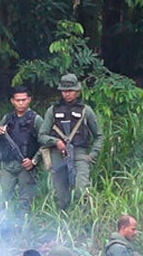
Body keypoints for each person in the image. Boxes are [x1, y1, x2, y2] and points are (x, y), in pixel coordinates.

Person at [38, 73, 104, 210]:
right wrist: (56, 142)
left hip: (79, 154)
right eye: (64, 91)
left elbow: (99, 136)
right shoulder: (52, 111)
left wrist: (92, 155)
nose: (67, 94)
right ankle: (63, 223)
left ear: (77, 92)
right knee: (61, 196)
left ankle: (85, 222)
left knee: (81, 190)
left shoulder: (86, 111)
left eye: (70, 91)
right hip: (58, 154)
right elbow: (42, 135)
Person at [0, 86, 43, 217]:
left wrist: (34, 160)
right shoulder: (7, 118)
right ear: (12, 101)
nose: (21, 103)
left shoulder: (36, 119)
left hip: (25, 166)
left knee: (25, 202)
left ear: (29, 100)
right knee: (0, 197)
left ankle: (23, 229)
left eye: (24, 100)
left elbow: (45, 143)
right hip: (8, 166)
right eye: (17, 100)